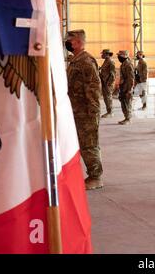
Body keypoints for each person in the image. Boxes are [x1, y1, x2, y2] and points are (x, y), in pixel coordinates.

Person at [65, 29, 103, 190]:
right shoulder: (75, 60)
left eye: (70, 40)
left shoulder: (86, 62)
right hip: (76, 111)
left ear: (78, 42)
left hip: (86, 112)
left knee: (89, 144)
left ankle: (96, 177)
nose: (68, 42)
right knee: (81, 144)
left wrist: (93, 113)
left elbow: (94, 88)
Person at [117, 50, 134, 125]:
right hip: (123, 87)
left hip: (127, 87)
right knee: (123, 102)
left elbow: (131, 78)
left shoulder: (128, 65)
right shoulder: (123, 64)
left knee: (127, 102)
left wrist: (129, 90)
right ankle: (126, 117)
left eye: (119, 56)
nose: (118, 57)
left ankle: (128, 118)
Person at [99, 49, 116, 118]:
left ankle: (110, 112)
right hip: (105, 82)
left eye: (103, 54)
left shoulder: (111, 62)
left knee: (108, 97)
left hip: (108, 83)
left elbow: (113, 74)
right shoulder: (106, 61)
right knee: (106, 98)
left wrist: (109, 83)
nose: (102, 55)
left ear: (107, 54)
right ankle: (109, 111)